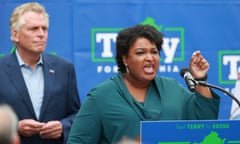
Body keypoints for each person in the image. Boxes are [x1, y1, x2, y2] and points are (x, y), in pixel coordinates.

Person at [67, 24, 220, 144]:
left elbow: (204, 125)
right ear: (125, 59)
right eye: (141, 53)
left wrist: (200, 80)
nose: (150, 58)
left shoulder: (173, 89)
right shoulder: (101, 97)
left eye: (154, 52)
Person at [0, 2, 80, 144]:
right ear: (15, 34)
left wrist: (63, 127)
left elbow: (77, 115)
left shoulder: (64, 68)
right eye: (33, 29)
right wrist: (14, 127)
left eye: (44, 29)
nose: (41, 34)